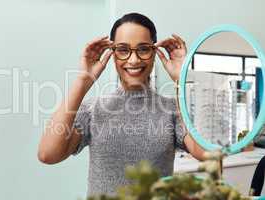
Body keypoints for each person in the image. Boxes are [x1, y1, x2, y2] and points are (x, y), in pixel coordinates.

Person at [37, 12, 206, 197]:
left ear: (155, 52)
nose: (133, 60)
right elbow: (48, 154)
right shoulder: (93, 109)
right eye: (123, 50)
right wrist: (83, 80)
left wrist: (181, 81)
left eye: (143, 49)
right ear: (113, 54)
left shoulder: (173, 109)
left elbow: (206, 153)